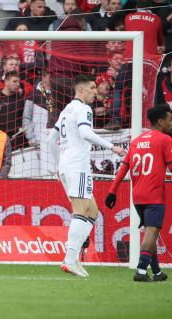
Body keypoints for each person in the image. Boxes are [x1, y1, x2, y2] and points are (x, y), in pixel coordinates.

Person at [47, 74, 126, 277]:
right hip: (77, 167)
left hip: (67, 165)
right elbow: (85, 133)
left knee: (92, 210)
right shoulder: (84, 109)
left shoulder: (66, 110)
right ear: (80, 90)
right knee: (82, 210)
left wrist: (58, 166)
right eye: (92, 88)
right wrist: (112, 147)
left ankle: (74, 259)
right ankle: (69, 259)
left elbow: (50, 140)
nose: (95, 91)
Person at [105, 105, 172, 282]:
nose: (171, 123)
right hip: (154, 195)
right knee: (151, 232)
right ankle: (141, 270)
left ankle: (157, 272)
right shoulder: (165, 140)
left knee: (152, 233)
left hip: (137, 195)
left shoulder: (136, 141)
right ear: (160, 121)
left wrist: (112, 191)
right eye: (170, 120)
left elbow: (124, 167)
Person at [0, 71, 26, 150]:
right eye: (14, 81)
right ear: (6, 82)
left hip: (17, 142)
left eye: (18, 81)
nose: (18, 84)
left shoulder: (21, 100)